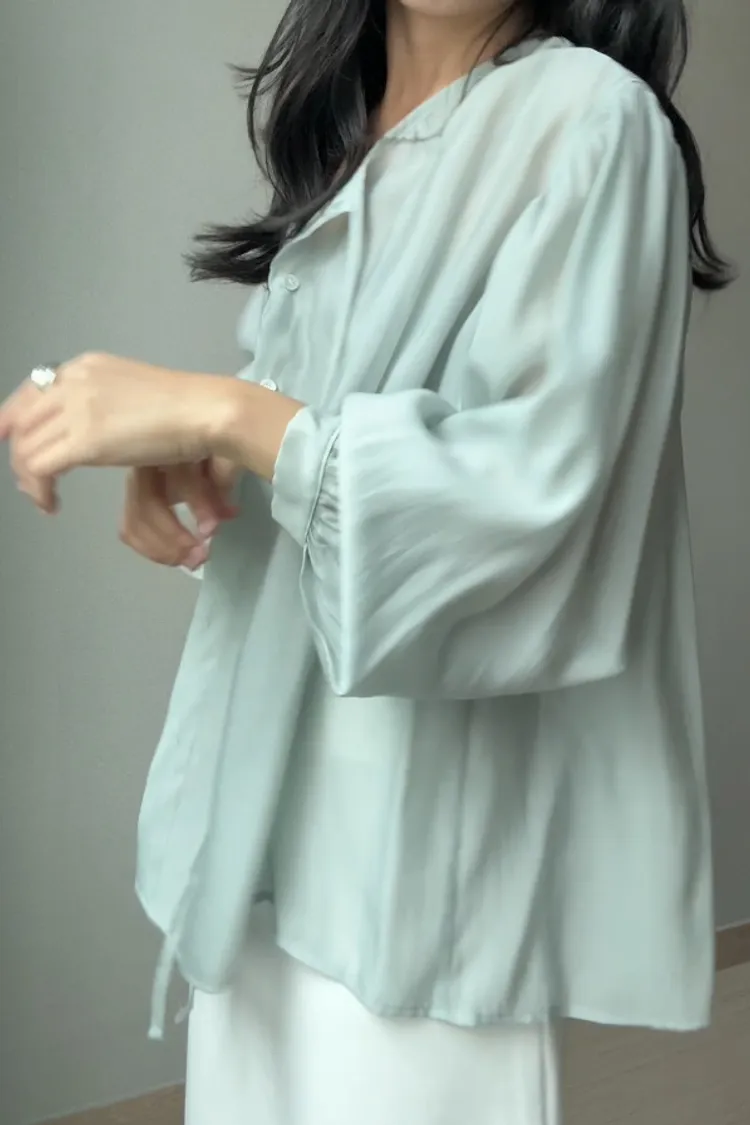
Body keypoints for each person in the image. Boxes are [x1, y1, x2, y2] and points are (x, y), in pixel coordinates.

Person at [0, 1, 732, 1123]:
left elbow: (530, 510)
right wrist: (206, 460)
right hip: (261, 814)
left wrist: (223, 410)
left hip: (419, 856)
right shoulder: (353, 128)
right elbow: (316, 444)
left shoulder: (593, 120)